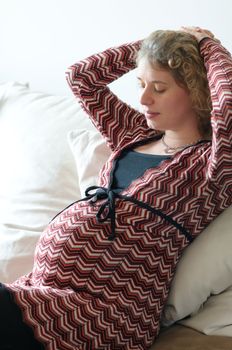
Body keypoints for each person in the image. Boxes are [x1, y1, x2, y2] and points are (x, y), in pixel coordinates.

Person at [0, 26, 231, 350]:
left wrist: (205, 46)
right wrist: (160, 46)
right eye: (141, 84)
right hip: (43, 292)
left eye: (159, 88)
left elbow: (227, 107)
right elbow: (82, 77)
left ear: (194, 90)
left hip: (103, 315)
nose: (143, 99)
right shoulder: (135, 134)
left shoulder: (213, 165)